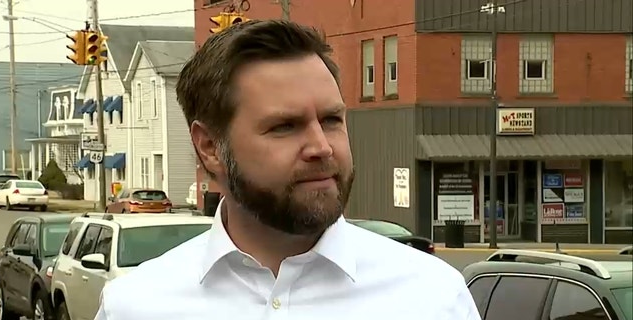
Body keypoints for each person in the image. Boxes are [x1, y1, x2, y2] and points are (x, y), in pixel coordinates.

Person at [94, 19, 481, 320]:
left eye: (331, 120)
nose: (321, 147)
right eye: (284, 127)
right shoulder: (136, 305)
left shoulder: (433, 296)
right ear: (209, 147)